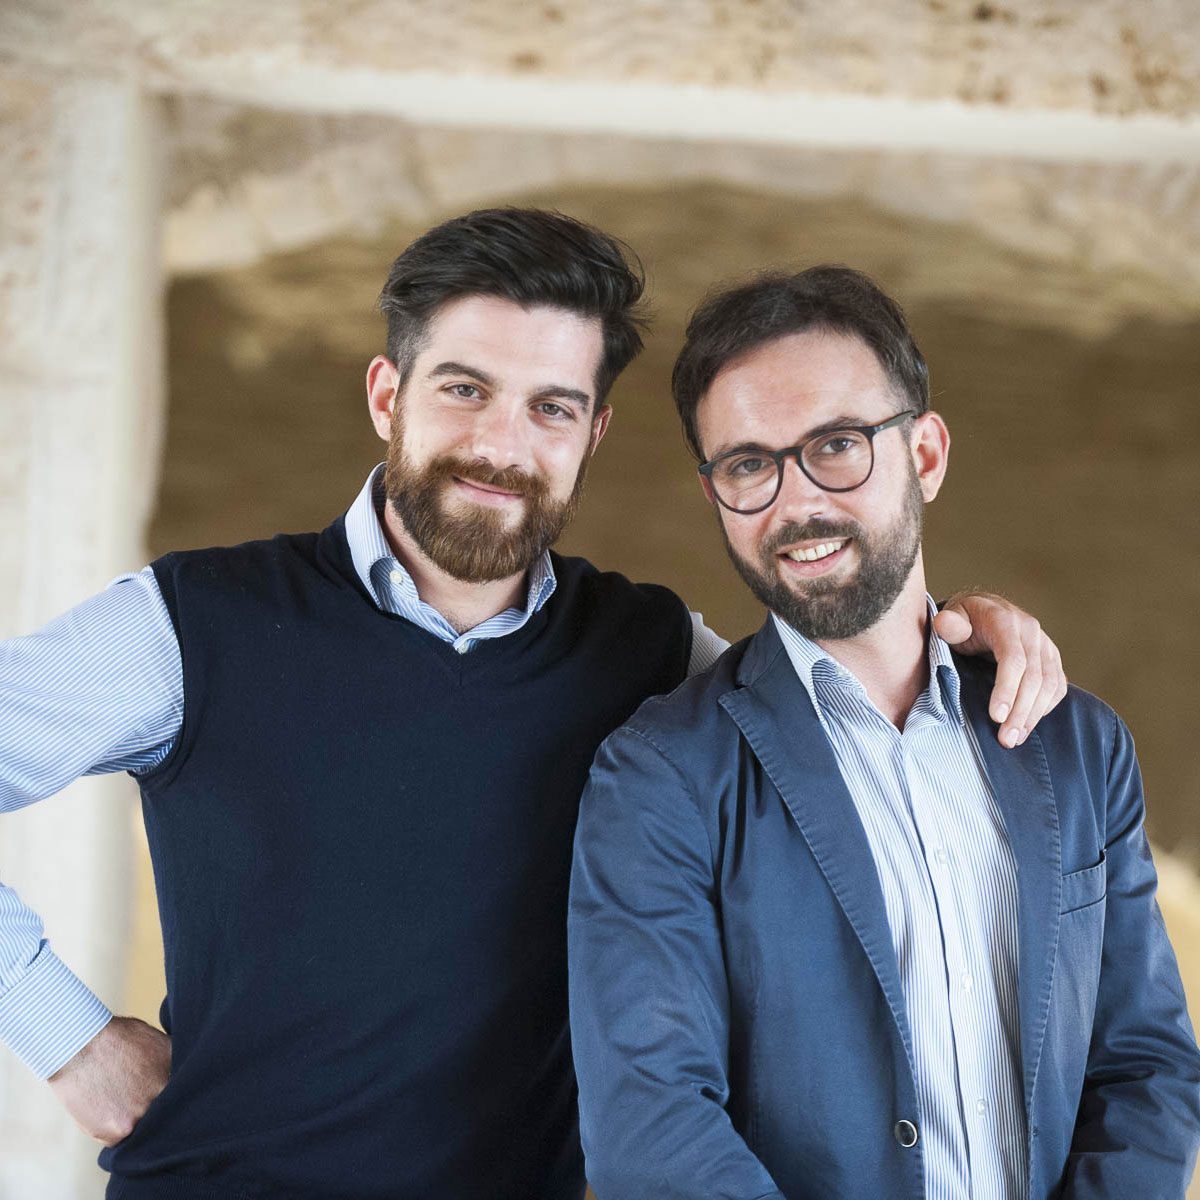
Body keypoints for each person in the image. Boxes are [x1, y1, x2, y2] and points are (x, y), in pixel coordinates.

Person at [0, 212, 1064, 1199]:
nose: (502, 446)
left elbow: (845, 715)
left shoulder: (651, 651)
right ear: (387, 395)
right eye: (465, 389)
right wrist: (69, 1040)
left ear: (593, 432)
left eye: (550, 407)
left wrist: (964, 629)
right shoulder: (194, 625)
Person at [568, 265, 1200, 1199]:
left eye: (837, 445)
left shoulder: (1079, 744)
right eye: (749, 465)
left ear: (926, 455)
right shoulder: (660, 777)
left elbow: (1146, 1064)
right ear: (715, 495)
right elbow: (651, 1128)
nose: (796, 503)